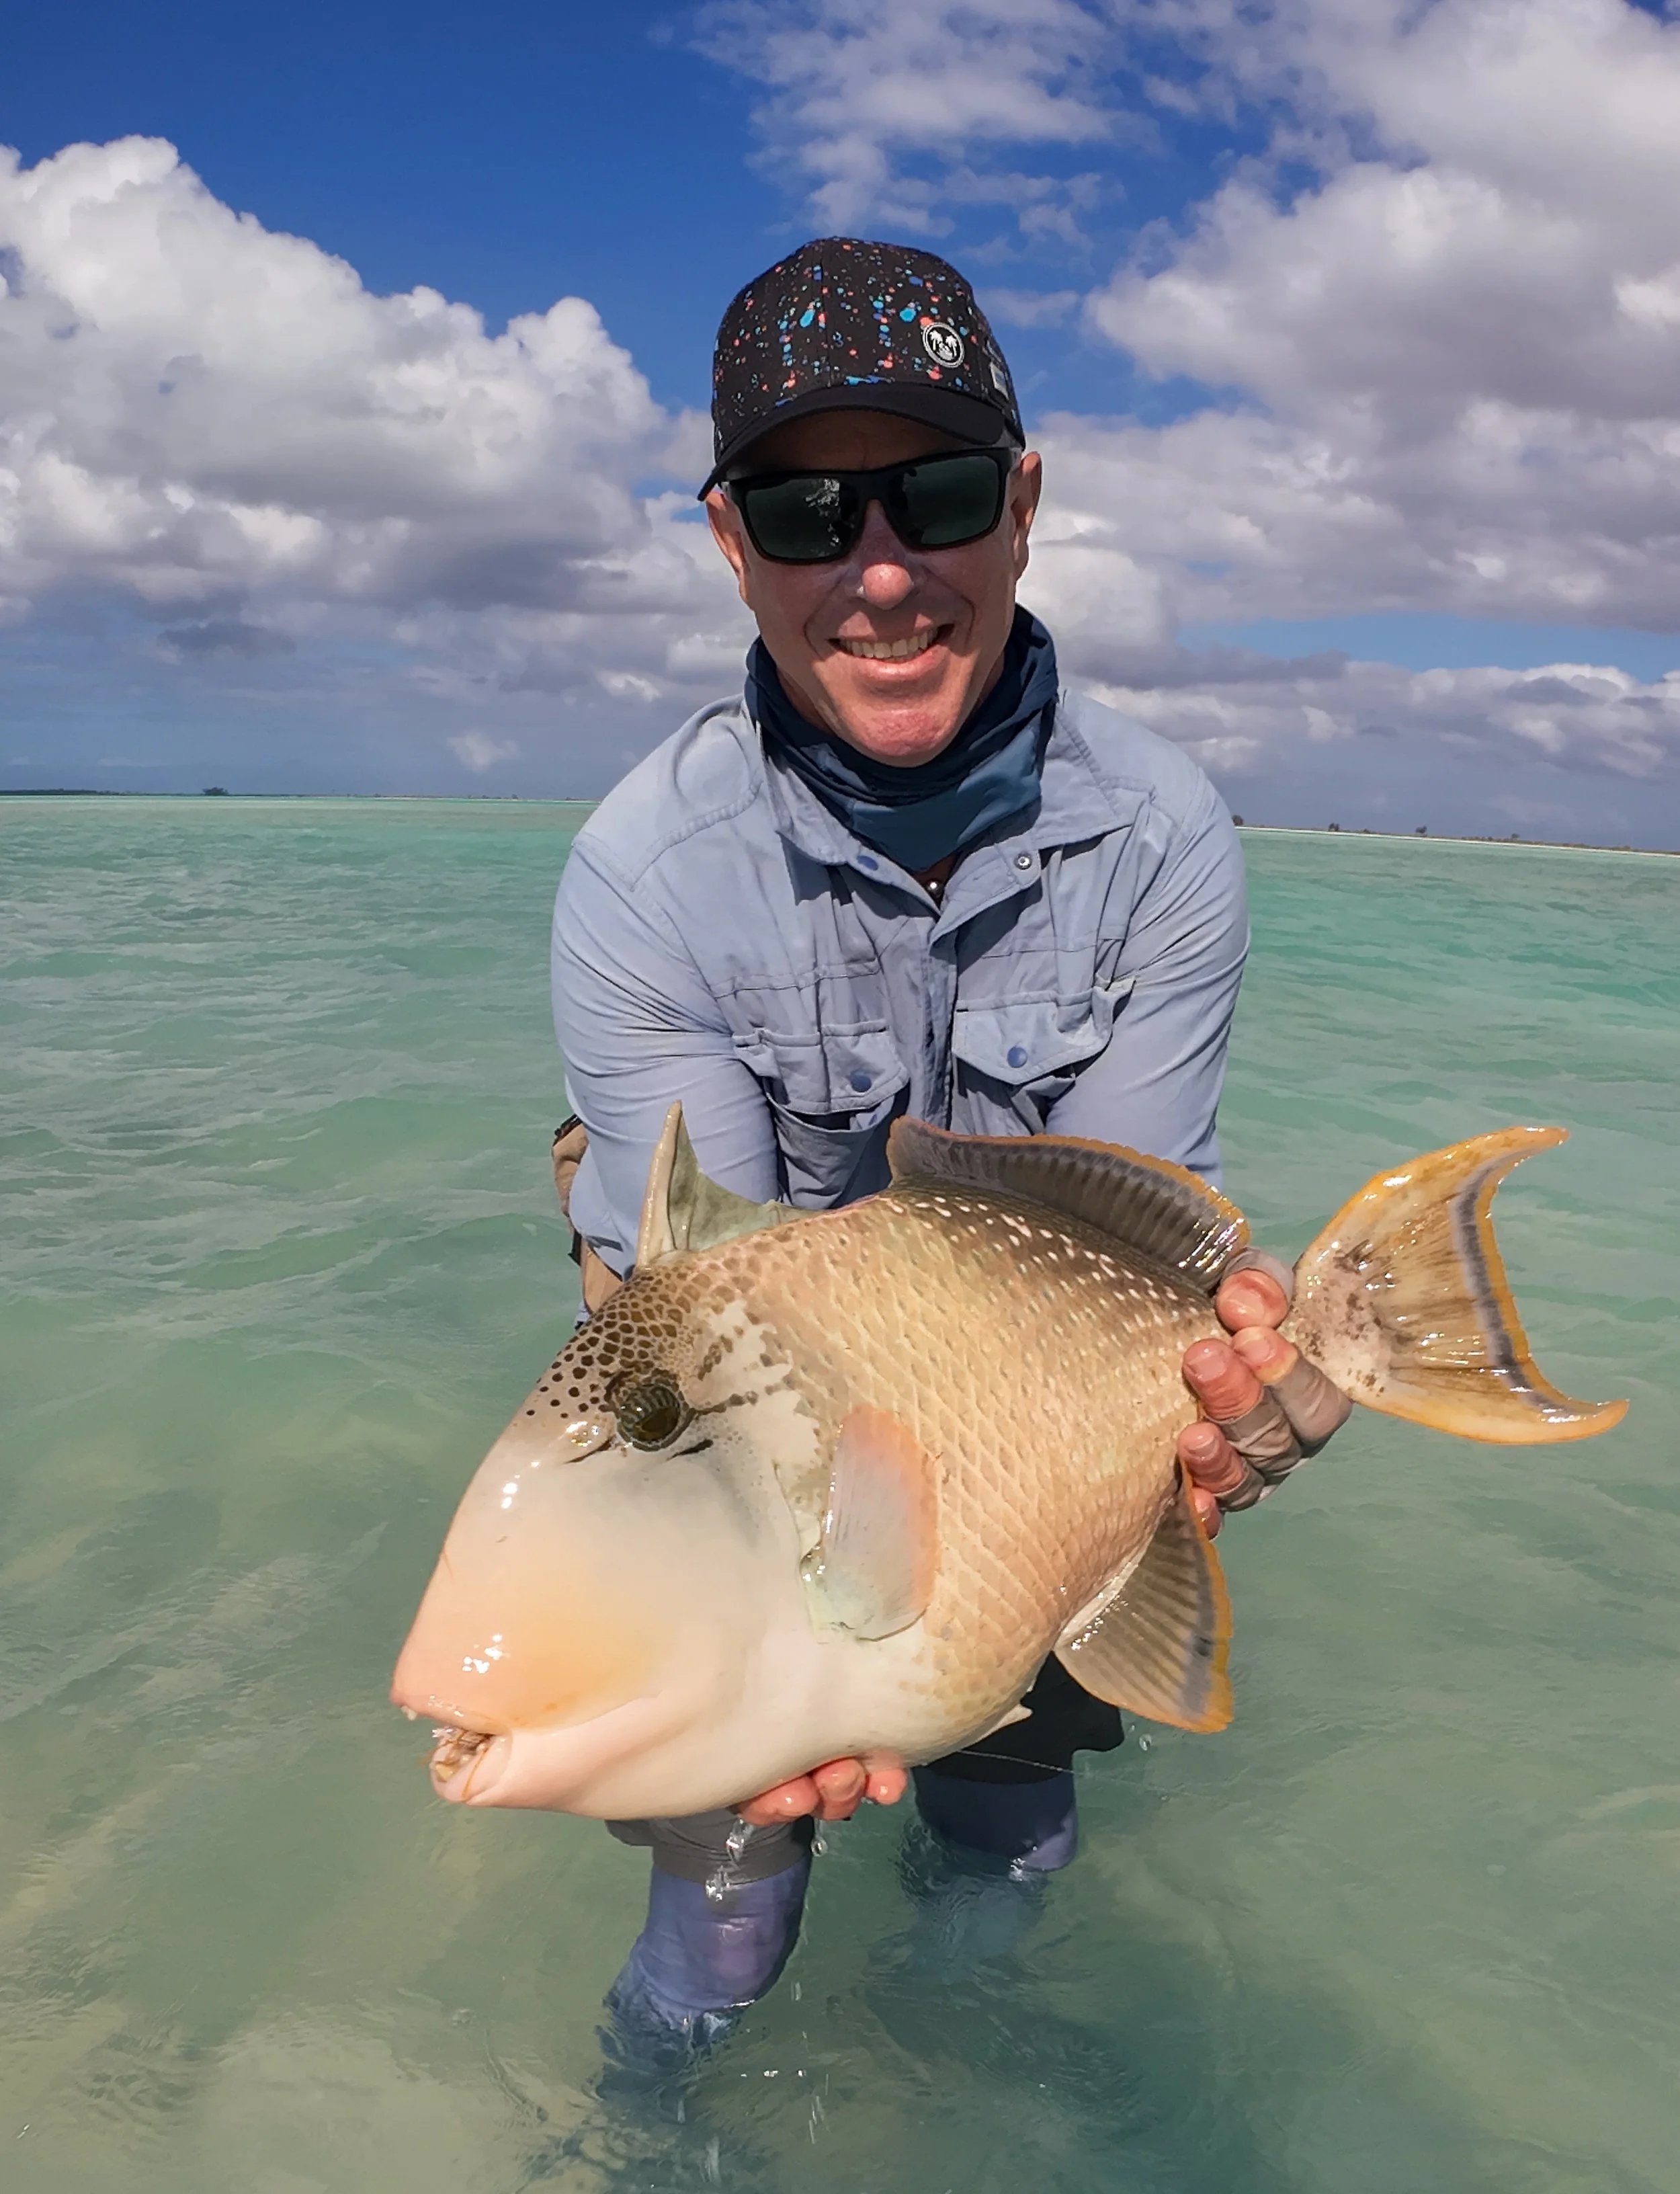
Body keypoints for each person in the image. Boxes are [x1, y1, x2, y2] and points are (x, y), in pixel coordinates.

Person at [549, 237, 1348, 2062]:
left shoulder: (1162, 838)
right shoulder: (639, 876)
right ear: (730, 540)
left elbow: (1136, 1266)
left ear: (1025, 504)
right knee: (718, 1924)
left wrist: (1244, 1405)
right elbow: (677, 1318)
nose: (883, 570)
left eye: (939, 492)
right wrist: (773, 1651)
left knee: (1014, 1839)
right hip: (758, 1456)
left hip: (1031, 1452)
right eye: (809, 512)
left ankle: (954, 2085)